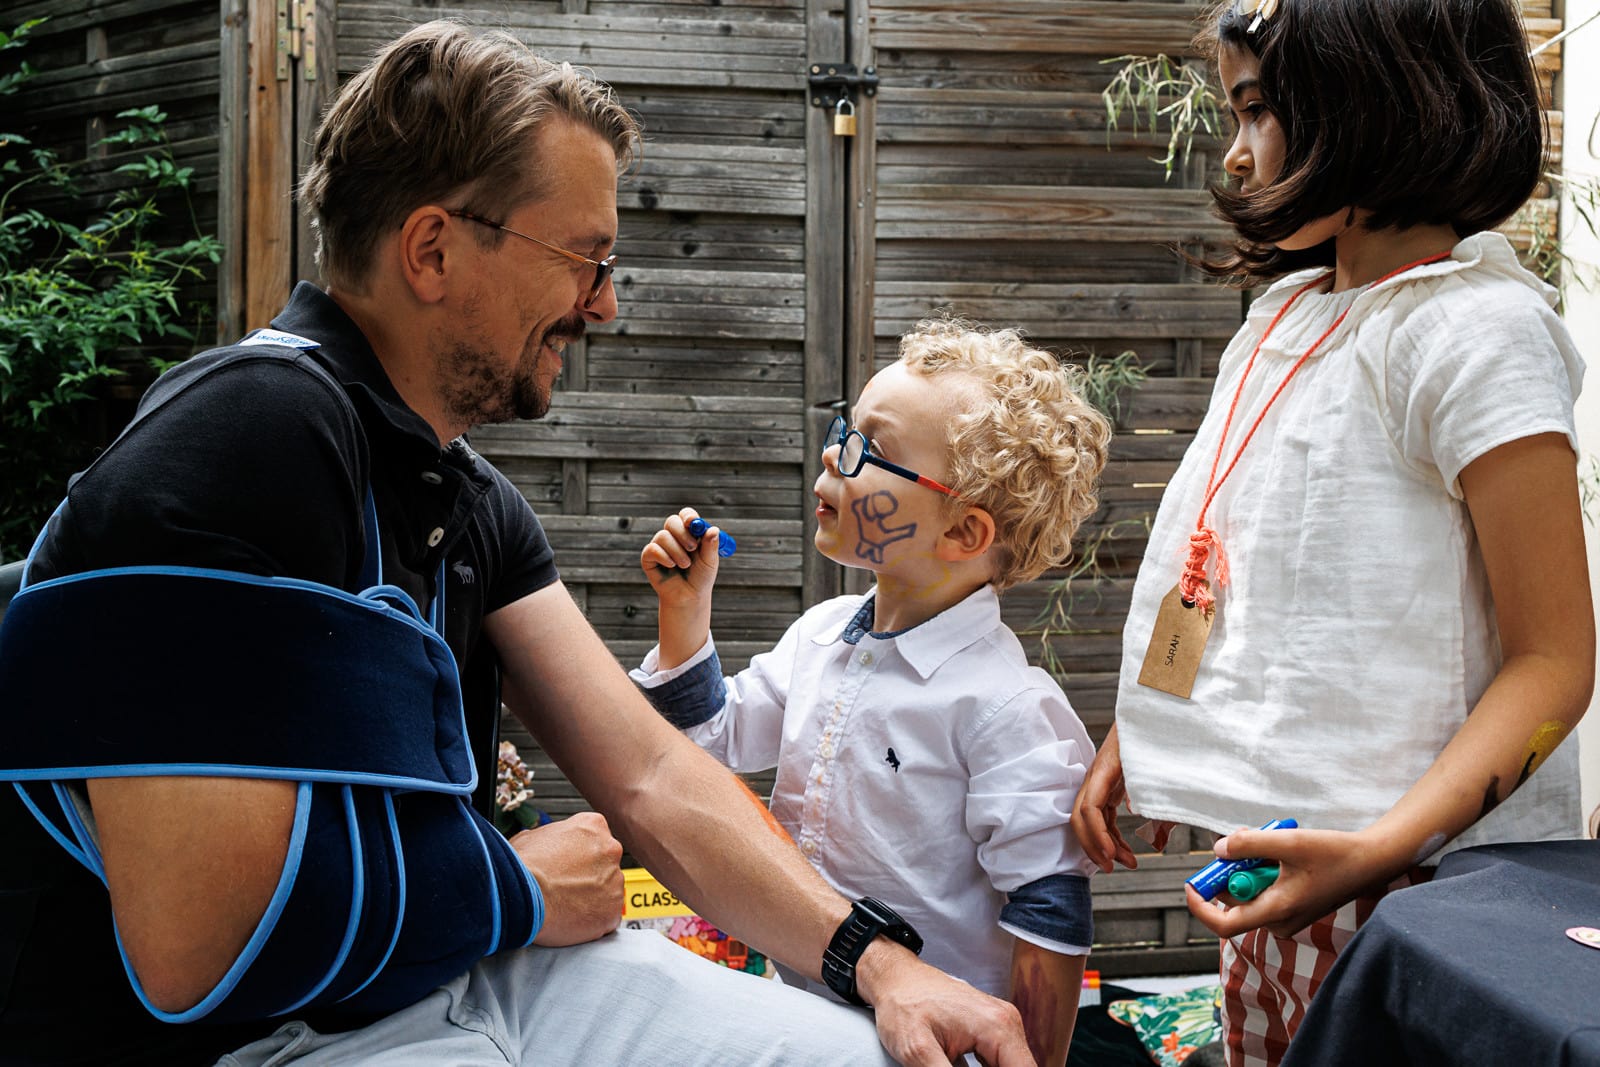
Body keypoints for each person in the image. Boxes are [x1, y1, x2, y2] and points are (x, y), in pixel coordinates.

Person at [0, 21, 1039, 1067]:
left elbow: (649, 778)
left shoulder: (462, 494)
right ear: (434, 249)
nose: (605, 302)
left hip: (454, 973)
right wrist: (507, 885)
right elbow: (193, 949)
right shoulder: (242, 431)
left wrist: (882, 963)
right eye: (584, 257)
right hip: (250, 1038)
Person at [1070, 2, 1594, 1066]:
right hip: (1286, 848)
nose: (1231, 147)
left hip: (1422, 882)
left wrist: (1377, 850)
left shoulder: (1475, 332)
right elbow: (1231, 556)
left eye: (1257, 108)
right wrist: (1149, 723)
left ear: (1374, 97)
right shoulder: (1286, 315)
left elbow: (1554, 660)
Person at [633, 319, 1114, 1067]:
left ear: (962, 530)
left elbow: (1048, 906)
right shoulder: (822, 635)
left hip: (934, 1045)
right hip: (807, 1014)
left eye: (871, 449)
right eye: (844, 431)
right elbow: (713, 736)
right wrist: (684, 612)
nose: (833, 453)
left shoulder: (1005, 706)